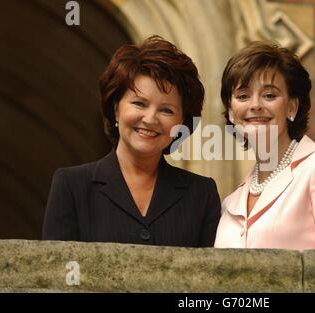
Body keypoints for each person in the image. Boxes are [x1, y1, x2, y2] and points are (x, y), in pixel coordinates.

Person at [43, 36, 221, 247]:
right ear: (116, 109)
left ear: (181, 123)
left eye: (166, 110)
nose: (150, 119)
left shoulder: (201, 193)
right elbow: (55, 272)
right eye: (139, 103)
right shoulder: (71, 186)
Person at [214, 41, 315, 251]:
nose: (255, 105)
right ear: (231, 112)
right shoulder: (230, 203)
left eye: (269, 95)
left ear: (291, 107)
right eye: (243, 96)